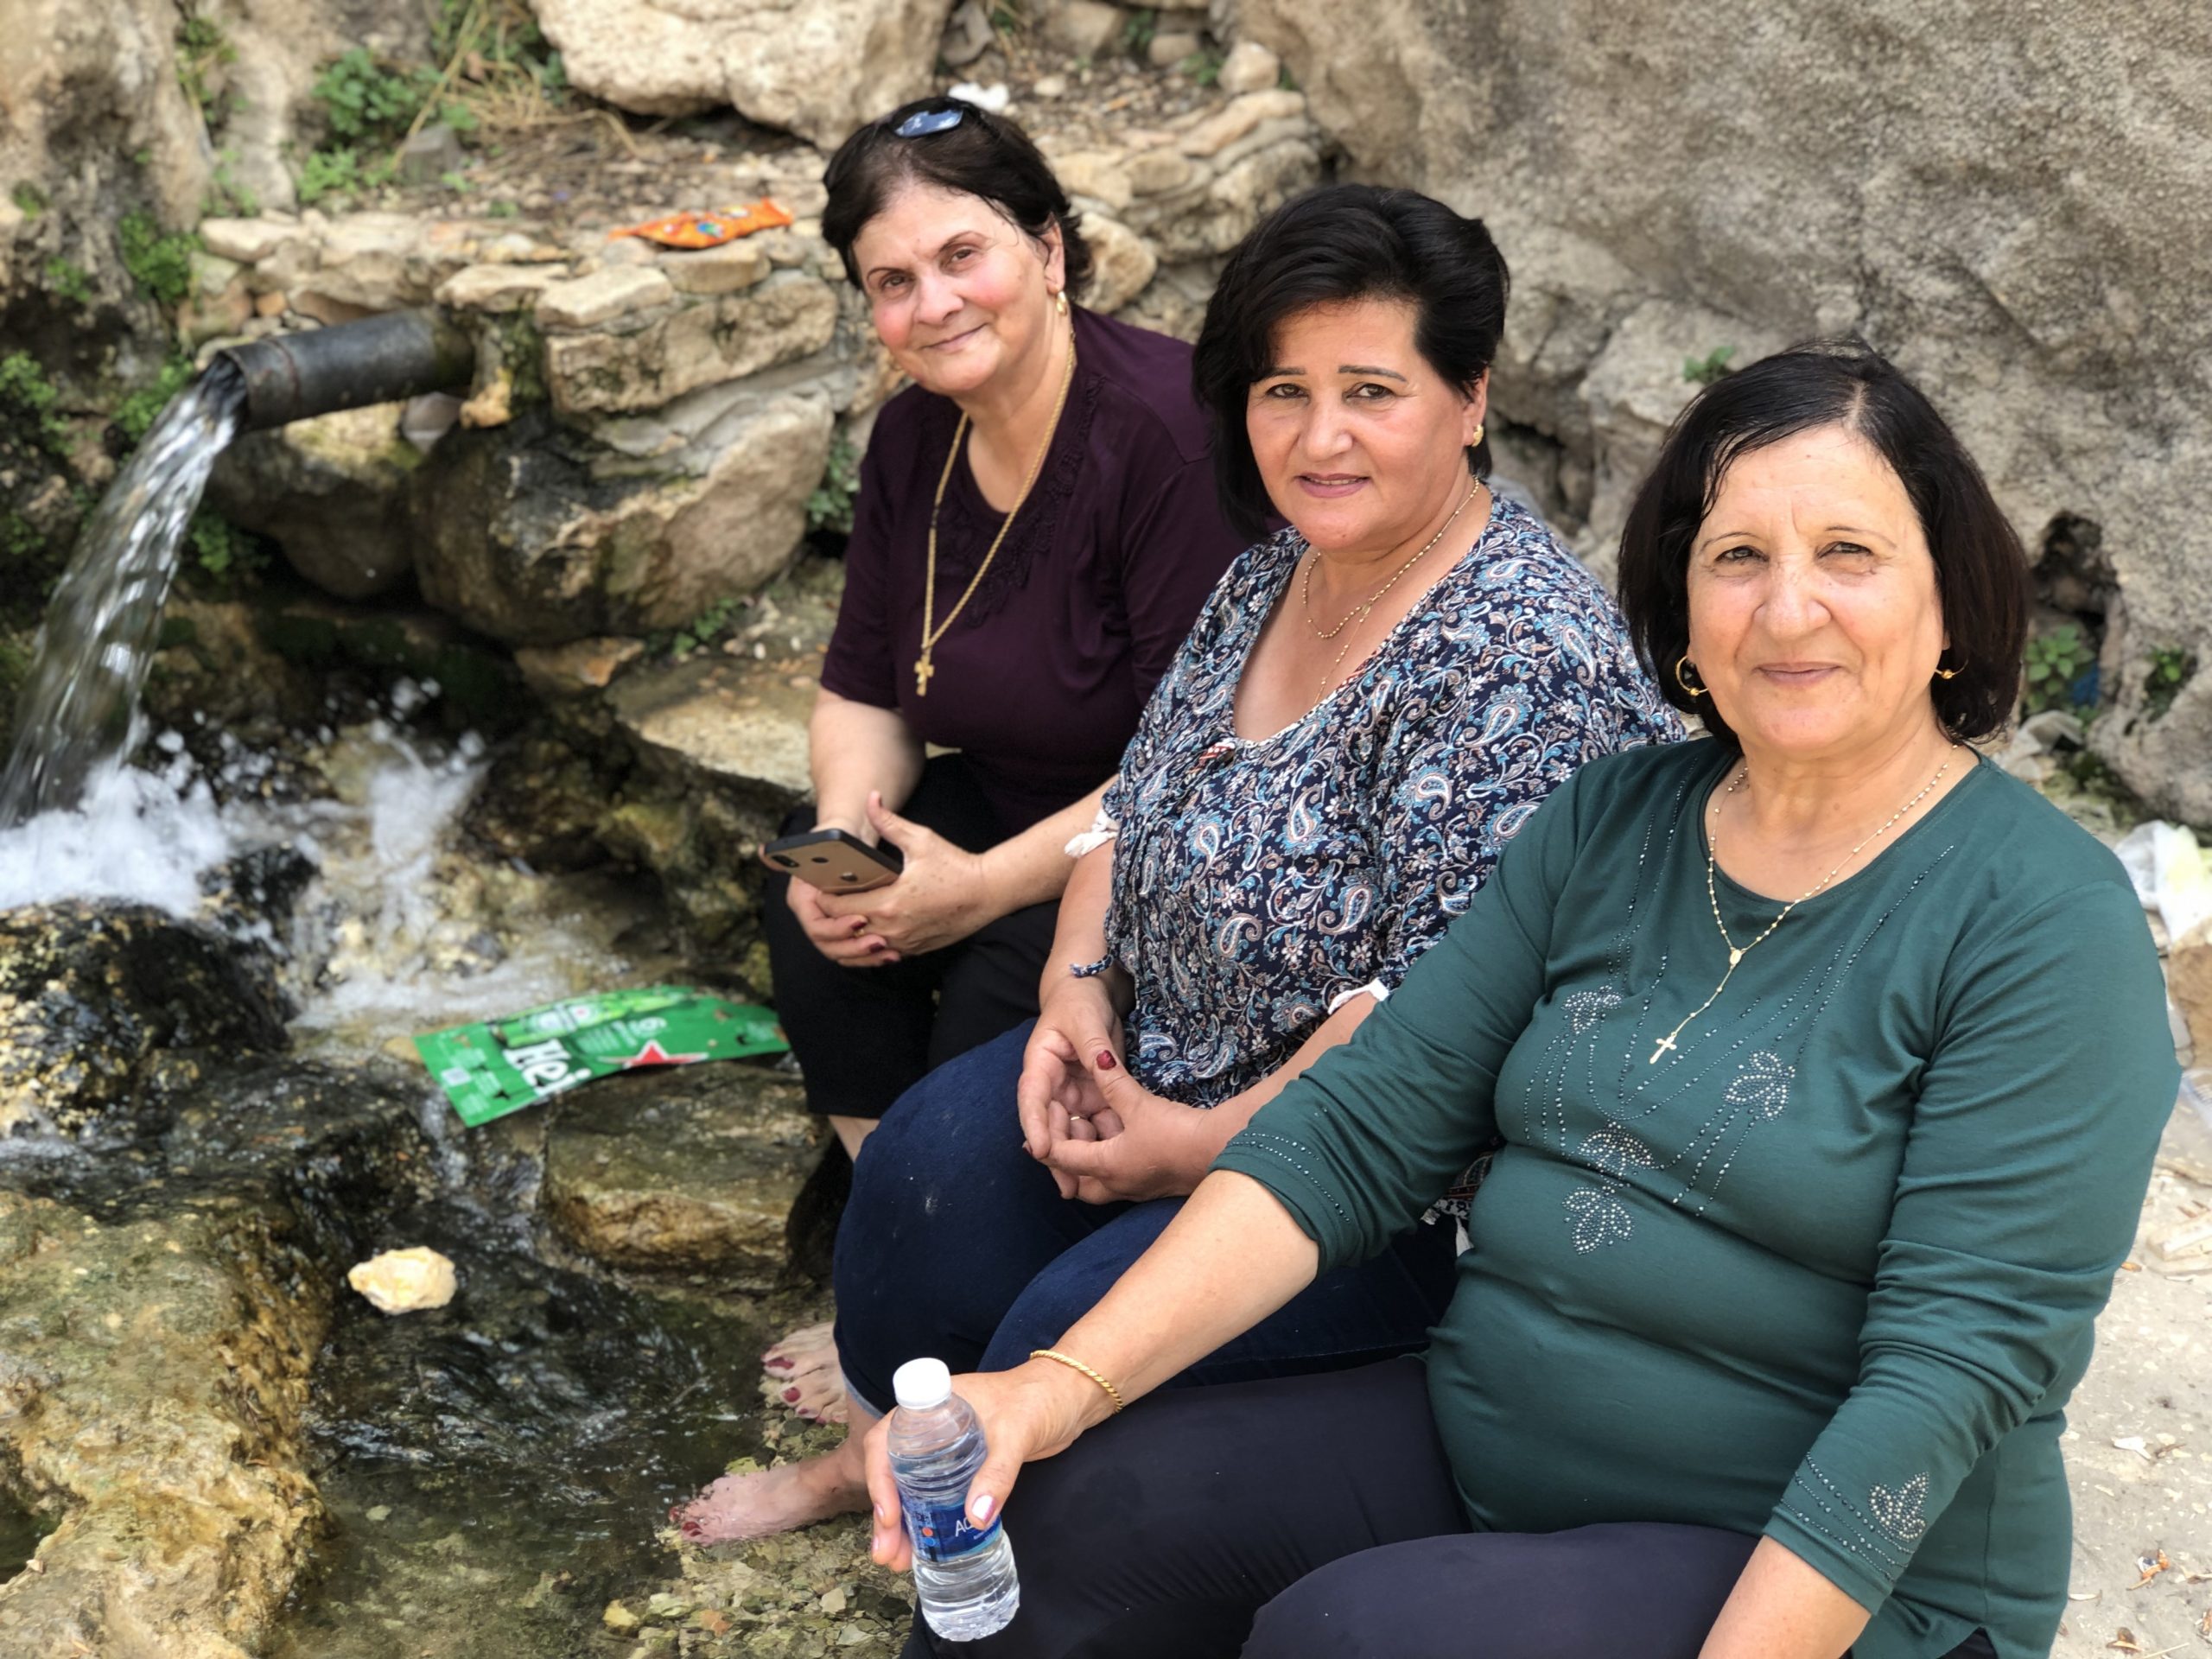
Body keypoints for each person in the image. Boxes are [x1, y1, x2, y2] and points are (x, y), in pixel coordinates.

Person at [856, 339, 2180, 1659]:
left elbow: (1953, 1373)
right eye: (1738, 556)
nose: (1788, 610)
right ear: (1682, 600)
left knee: (1355, 1643)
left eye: (1850, 554)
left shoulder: (2041, 921)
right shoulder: (1616, 820)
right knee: (1058, 1520)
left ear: (1949, 600)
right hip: (1491, 1453)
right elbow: (1356, 1135)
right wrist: (1053, 1391)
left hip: (1839, 1584)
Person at [674, 183, 1681, 1545]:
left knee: (1060, 1339)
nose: (1320, 438)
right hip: (1155, 1064)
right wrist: (1075, 999)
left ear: (1469, 399)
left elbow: (1435, 1021)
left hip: (1377, 1187)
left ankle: (994, 1539)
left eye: (1371, 392)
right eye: (1283, 392)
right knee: (918, 1177)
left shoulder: (1519, 655)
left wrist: (1200, 1147)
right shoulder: (1273, 575)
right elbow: (1131, 811)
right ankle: (872, 1464)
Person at [749, 94, 1247, 1421]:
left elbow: (1193, 755)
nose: (934, 305)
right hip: (1008, 794)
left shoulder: (1164, 436)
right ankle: (891, 1267)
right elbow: (864, 688)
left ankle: (939, 1323)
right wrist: (853, 835)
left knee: (991, 1000)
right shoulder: (914, 438)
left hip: (1156, 838)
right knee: (816, 915)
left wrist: (972, 892)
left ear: (1049, 248)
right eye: (892, 282)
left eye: (961, 255)